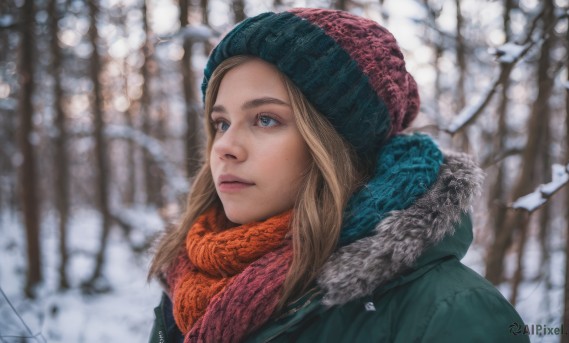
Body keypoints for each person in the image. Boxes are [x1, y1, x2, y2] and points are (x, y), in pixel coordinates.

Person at [148, 8, 528, 343]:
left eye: (266, 119)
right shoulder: (189, 281)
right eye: (221, 122)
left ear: (338, 144)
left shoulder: (448, 312)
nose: (224, 146)